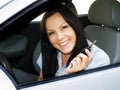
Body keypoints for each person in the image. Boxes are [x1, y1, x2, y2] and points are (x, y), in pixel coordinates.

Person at [37, 4, 110, 80]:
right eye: (51, 33)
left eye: (64, 27)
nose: (59, 37)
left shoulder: (98, 59)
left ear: (75, 26)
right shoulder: (49, 51)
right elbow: (41, 82)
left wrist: (75, 77)